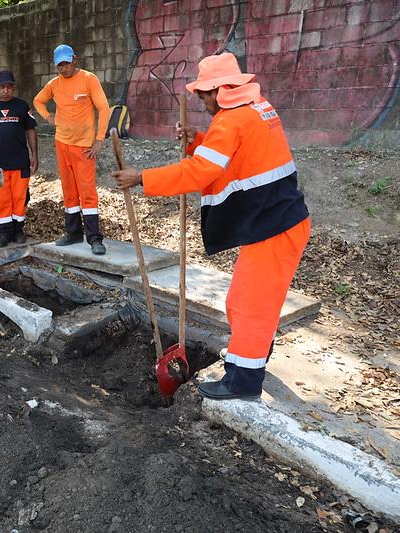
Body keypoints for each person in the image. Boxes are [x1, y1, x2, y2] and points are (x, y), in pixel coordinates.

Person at [112, 52, 310, 401]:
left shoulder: (231, 121)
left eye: (204, 93)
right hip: (276, 220)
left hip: (274, 226)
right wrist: (197, 140)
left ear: (222, 89)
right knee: (248, 300)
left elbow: (200, 172)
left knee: (249, 303)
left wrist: (141, 177)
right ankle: (253, 356)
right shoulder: (256, 107)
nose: (200, 100)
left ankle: (243, 382)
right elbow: (236, 153)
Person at [33, 44, 111, 255]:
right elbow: (38, 101)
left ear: (75, 59)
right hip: (62, 144)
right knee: (69, 190)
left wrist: (99, 140)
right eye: (60, 65)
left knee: (87, 192)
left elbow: (104, 108)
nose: (64, 68)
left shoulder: (88, 79)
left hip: (84, 147)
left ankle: (94, 238)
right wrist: (48, 117)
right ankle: (73, 233)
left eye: (67, 63)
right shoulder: (54, 84)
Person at [0, 70, 38, 247]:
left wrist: (35, 155)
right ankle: (4, 234)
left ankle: (18, 232)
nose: (6, 90)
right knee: (1, 200)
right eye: (2, 86)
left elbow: (31, 131)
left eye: (9, 87)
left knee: (20, 199)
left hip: (21, 163)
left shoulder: (22, 107)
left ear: (14, 87)